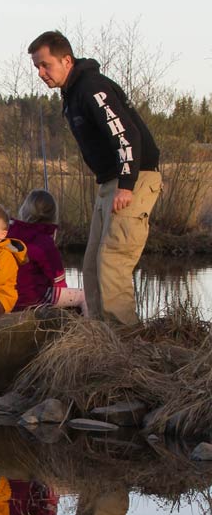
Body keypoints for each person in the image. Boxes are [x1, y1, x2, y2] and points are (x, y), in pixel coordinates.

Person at [28, 30, 162, 326]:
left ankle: (125, 346)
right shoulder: (72, 93)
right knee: (91, 265)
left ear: (66, 60)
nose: (40, 73)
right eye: (36, 67)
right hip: (109, 183)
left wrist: (126, 185)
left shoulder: (91, 87)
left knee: (113, 262)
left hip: (133, 179)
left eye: (45, 65)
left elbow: (127, 134)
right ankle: (100, 339)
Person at [8, 189, 88, 315]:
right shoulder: (45, 242)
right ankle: (87, 331)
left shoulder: (10, 232)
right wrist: (64, 306)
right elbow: (58, 279)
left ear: (24, 210)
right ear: (52, 215)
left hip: (9, 296)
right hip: (32, 297)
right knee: (83, 296)